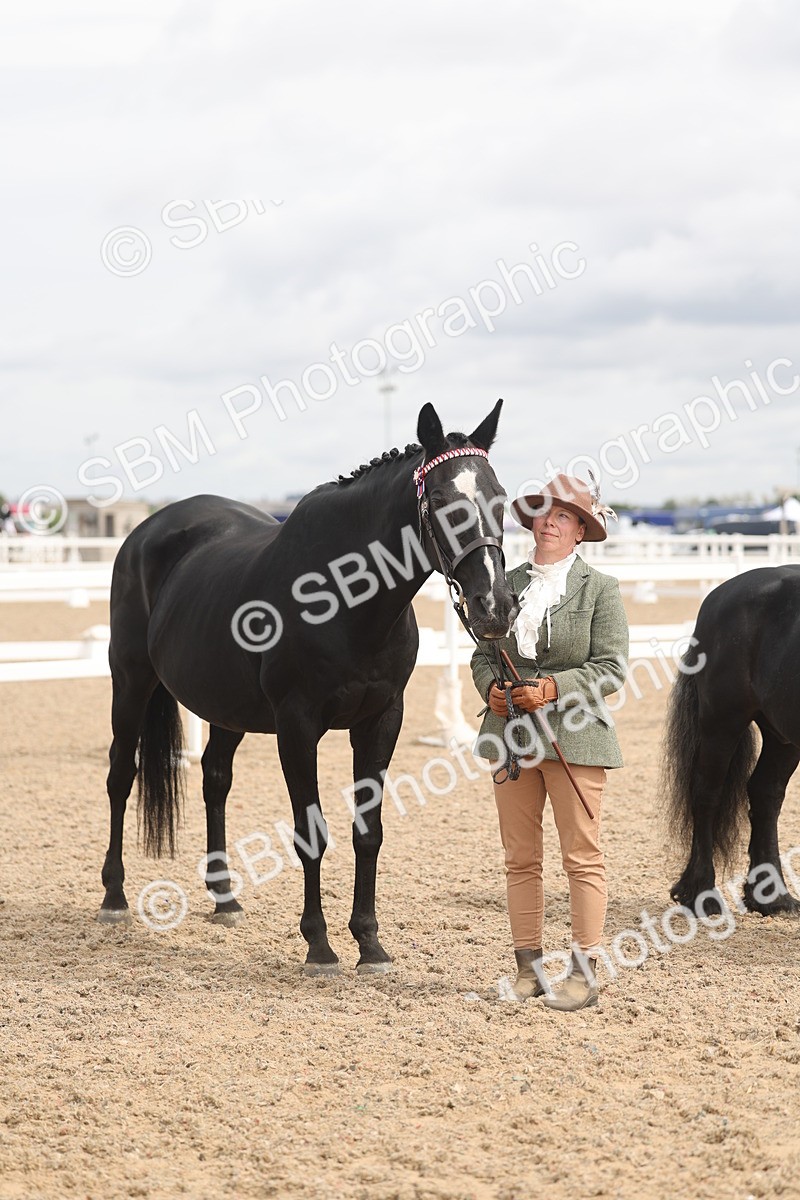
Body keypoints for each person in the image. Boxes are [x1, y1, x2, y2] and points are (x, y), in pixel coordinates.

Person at [470, 473, 628, 1012]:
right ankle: (527, 969)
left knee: (581, 858)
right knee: (519, 859)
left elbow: (611, 667)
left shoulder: (599, 589)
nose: (549, 523)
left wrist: (556, 688)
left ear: (581, 530)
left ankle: (584, 973)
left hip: (576, 738)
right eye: (542, 513)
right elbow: (483, 654)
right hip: (510, 736)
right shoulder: (505, 584)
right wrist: (491, 688)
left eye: (562, 516)